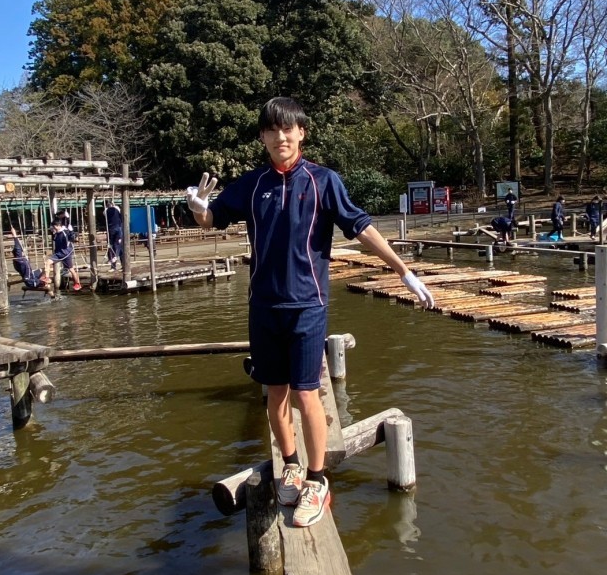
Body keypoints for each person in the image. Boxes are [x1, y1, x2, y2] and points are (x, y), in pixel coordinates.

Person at [186, 97, 434, 528]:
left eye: (288, 129)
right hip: (263, 306)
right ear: (262, 137)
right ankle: (290, 464)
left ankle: (317, 480)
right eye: (271, 130)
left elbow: (361, 227)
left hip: (307, 305)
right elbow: (212, 219)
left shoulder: (323, 180)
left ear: (301, 132)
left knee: (306, 394)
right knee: (275, 393)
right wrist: (198, 208)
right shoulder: (253, 184)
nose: (280, 137)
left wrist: (403, 270)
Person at [45, 218, 82, 290]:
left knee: (71, 269)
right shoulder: (56, 233)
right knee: (47, 262)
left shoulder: (65, 232)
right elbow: (55, 239)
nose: (54, 228)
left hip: (66, 254)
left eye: (54, 226)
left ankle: (77, 283)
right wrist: (52, 232)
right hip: (58, 253)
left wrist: (71, 232)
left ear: (59, 225)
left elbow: (73, 238)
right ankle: (47, 278)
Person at [104, 199, 124, 271]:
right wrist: (113, 203)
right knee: (118, 245)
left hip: (112, 229)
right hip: (118, 228)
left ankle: (114, 264)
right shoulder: (116, 208)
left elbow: (107, 210)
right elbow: (116, 208)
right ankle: (119, 262)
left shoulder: (105, 211)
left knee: (112, 246)